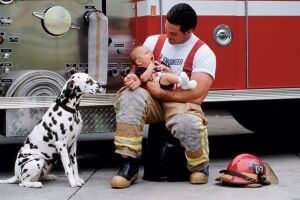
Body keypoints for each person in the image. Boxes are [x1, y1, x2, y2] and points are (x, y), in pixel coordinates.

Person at [111, 3, 216, 188]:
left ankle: (199, 166)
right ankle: (129, 164)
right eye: (166, 30)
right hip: (153, 102)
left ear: (189, 31)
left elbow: (197, 95)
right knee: (129, 96)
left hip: (179, 103)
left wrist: (161, 92)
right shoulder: (152, 42)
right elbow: (137, 71)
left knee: (189, 123)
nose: (168, 36)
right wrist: (134, 80)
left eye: (173, 34)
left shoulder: (204, 53)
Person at [130, 45, 197, 90]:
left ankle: (186, 84)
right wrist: (150, 67)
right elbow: (144, 78)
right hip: (158, 84)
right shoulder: (140, 68)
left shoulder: (158, 63)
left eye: (150, 52)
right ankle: (183, 82)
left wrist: (165, 68)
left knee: (169, 76)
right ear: (139, 62)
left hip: (167, 83)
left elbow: (170, 72)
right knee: (166, 77)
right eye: (147, 53)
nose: (151, 53)